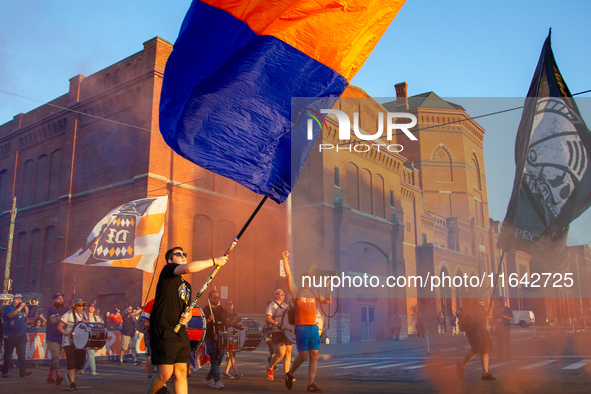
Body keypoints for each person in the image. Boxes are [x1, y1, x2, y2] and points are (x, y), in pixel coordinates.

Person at [145, 246, 227, 394]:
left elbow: (186, 310)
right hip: (164, 328)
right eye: (178, 254)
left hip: (180, 331)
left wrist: (187, 316)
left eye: (184, 254)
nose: (183, 256)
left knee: (181, 372)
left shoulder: (186, 286)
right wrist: (215, 261)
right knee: (164, 373)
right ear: (170, 260)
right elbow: (188, 268)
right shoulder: (168, 271)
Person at [283, 251, 331, 393]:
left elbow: (327, 301)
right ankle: (290, 374)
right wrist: (285, 260)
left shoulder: (314, 293)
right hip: (302, 328)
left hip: (313, 328)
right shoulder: (296, 291)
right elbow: (288, 276)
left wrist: (329, 285)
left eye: (309, 280)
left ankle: (311, 384)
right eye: (305, 279)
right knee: (303, 356)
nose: (307, 281)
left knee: (314, 355)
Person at [456, 298, 496, 381]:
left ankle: (485, 373)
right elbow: (463, 315)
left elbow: (484, 314)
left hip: (482, 329)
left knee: (484, 351)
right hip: (474, 330)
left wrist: (487, 313)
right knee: (475, 350)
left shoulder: (480, 302)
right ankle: (461, 366)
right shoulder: (469, 303)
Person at [203, 290, 232, 389]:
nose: (217, 299)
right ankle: (217, 380)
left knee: (219, 360)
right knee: (214, 359)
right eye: (215, 297)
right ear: (210, 298)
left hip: (221, 337)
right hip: (210, 337)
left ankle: (208, 378)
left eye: (218, 297)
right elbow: (202, 324)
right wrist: (208, 320)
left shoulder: (221, 309)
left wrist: (233, 322)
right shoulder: (206, 309)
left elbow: (227, 322)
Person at [58, 298, 88, 391]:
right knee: (71, 361)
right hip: (69, 342)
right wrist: (64, 332)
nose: (81, 307)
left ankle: (69, 376)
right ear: (74, 306)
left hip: (80, 342)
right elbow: (60, 326)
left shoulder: (84, 315)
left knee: (80, 363)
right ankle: (72, 382)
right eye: (79, 305)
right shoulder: (68, 314)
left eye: (82, 305)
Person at [2, 294, 33, 378]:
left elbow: (26, 318)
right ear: (14, 299)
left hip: (21, 335)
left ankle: (22, 371)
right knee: (8, 354)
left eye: (21, 299)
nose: (20, 300)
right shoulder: (8, 307)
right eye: (18, 299)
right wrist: (19, 308)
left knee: (22, 354)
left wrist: (26, 309)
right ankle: (5, 372)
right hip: (10, 335)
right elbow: (10, 315)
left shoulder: (22, 309)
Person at [266, 288, 293, 381]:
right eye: (280, 293)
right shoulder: (272, 305)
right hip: (278, 331)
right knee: (281, 353)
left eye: (283, 294)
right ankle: (270, 367)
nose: (282, 295)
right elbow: (268, 318)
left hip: (287, 331)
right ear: (275, 295)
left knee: (288, 352)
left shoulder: (286, 305)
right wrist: (277, 324)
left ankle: (286, 374)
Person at [46, 293, 66, 385]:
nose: (61, 300)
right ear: (54, 300)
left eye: (61, 298)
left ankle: (49, 377)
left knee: (54, 358)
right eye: (58, 298)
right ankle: (58, 376)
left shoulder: (65, 309)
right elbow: (53, 320)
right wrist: (63, 317)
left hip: (60, 337)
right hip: (52, 336)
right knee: (56, 357)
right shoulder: (51, 308)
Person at [81, 304, 103, 376]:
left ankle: (83, 368)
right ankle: (92, 370)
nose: (91, 309)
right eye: (90, 307)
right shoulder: (83, 316)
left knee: (90, 354)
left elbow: (101, 326)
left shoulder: (96, 317)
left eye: (93, 308)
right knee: (90, 353)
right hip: (86, 337)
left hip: (94, 337)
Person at [223, 300, 243, 379]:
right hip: (227, 335)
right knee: (231, 354)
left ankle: (226, 372)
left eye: (231, 304)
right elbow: (228, 323)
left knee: (232, 354)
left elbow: (238, 325)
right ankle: (236, 372)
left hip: (234, 335)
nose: (230, 306)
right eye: (228, 304)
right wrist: (236, 321)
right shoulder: (225, 314)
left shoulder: (235, 314)